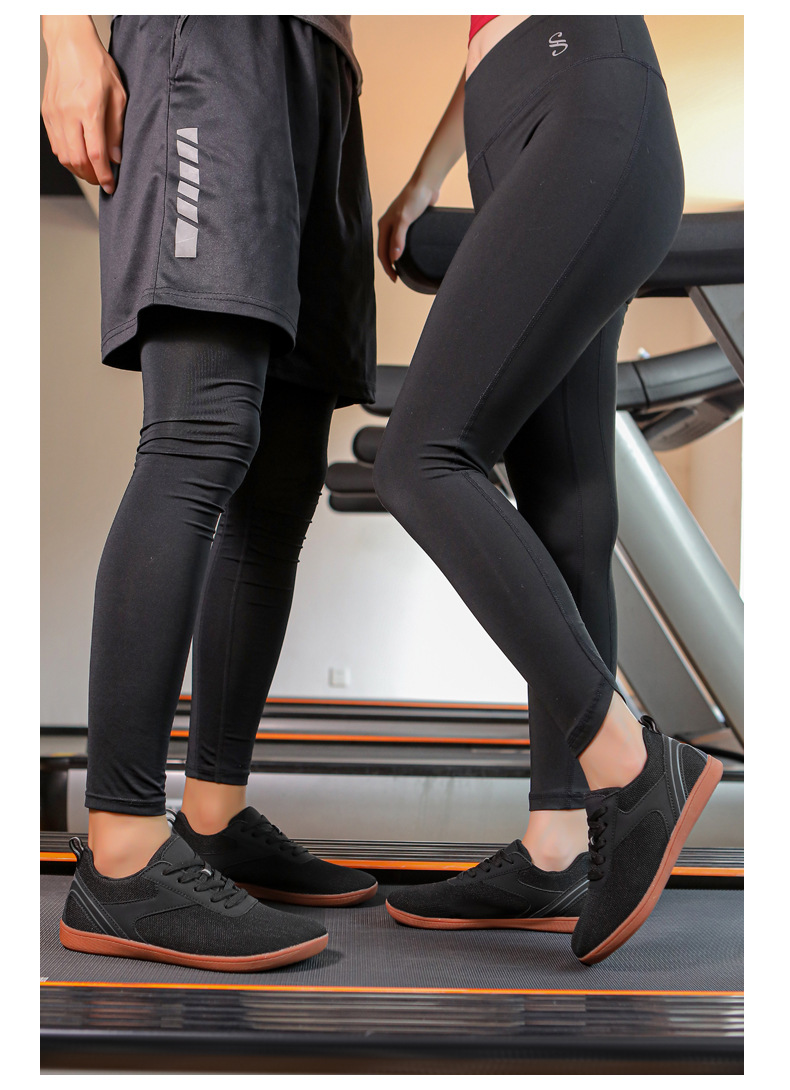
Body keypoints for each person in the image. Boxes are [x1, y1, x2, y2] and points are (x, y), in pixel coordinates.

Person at [375, 14, 723, 964]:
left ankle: (631, 765)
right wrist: (428, 177)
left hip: (583, 86)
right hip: (508, 124)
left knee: (421, 456)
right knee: (563, 510)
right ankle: (558, 843)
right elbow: (480, 42)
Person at [42, 14, 377, 972]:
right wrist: (64, 40)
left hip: (326, 71)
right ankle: (121, 853)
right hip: (218, 46)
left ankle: (215, 814)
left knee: (283, 485)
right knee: (201, 434)